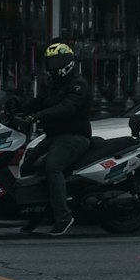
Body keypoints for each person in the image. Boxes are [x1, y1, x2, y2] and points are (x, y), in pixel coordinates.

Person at [27, 41, 92, 236]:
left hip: (74, 136)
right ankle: (36, 213)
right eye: (50, 62)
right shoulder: (54, 84)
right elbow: (38, 102)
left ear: (67, 62)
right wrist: (16, 104)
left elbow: (67, 108)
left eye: (56, 62)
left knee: (52, 167)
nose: (52, 67)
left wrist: (39, 115)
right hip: (54, 136)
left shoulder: (78, 84)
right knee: (27, 166)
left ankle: (63, 217)